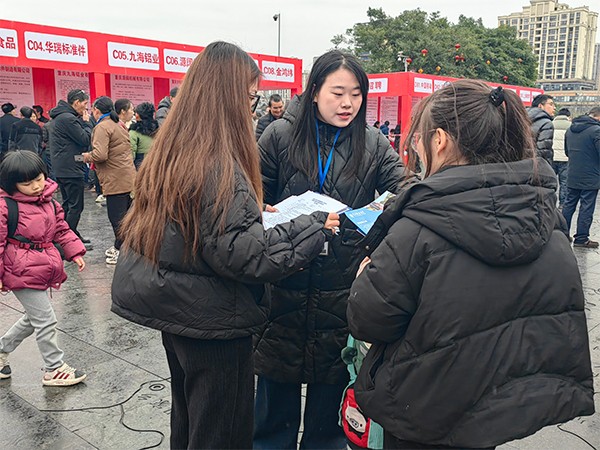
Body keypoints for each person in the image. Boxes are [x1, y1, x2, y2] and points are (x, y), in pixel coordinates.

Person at [110, 41, 340, 449]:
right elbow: (246, 256)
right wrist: (312, 226)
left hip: (177, 310)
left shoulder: (176, 149)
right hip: (212, 321)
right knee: (222, 433)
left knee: (189, 421)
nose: (252, 108)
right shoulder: (218, 165)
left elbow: (200, 226)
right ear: (228, 97)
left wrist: (250, 211)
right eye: (251, 97)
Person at [347, 81, 595, 449]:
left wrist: (364, 279)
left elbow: (370, 319)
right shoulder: (546, 219)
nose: (416, 148)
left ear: (440, 141)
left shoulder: (417, 229)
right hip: (494, 411)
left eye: (418, 139)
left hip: (423, 412)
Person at [254, 50, 405, 450]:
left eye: (356, 94)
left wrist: (373, 220)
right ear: (315, 90)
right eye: (338, 93)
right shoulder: (278, 136)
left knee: (329, 423)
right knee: (271, 420)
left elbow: (404, 190)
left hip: (342, 289)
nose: (347, 103)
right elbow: (252, 195)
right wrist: (266, 210)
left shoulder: (373, 142)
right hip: (282, 284)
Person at [0, 150, 87, 386]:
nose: (36, 186)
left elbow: (61, 229)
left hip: (41, 265)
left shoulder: (49, 202)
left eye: (38, 179)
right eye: (27, 183)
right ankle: (54, 368)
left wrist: (75, 251)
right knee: (45, 319)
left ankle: (1, 349)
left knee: (34, 317)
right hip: (18, 269)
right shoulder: (6, 206)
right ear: (11, 184)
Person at [83, 97, 136, 265]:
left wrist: (86, 156)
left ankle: (121, 251)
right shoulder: (118, 124)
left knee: (117, 218)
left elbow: (100, 155)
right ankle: (126, 248)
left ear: (97, 110)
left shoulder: (102, 127)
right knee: (126, 217)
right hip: (126, 176)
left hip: (115, 179)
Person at [48, 89, 93, 249]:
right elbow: (85, 139)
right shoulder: (68, 118)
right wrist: (87, 123)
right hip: (71, 169)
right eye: (85, 103)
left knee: (68, 205)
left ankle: (68, 234)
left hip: (64, 167)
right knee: (75, 206)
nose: (86, 107)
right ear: (76, 102)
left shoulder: (60, 117)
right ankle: (68, 240)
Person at [562, 107, 600, 248]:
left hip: (572, 173)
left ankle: (562, 234)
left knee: (568, 204)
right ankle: (581, 238)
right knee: (586, 207)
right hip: (591, 176)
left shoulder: (570, 130)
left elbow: (567, 152)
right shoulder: (596, 131)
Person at [129, 102, 159, 169]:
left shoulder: (134, 132)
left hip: (140, 166)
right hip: (155, 164)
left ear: (138, 116)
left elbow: (131, 153)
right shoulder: (158, 130)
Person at [527, 94, 555, 165]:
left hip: (520, 164)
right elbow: (544, 151)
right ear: (540, 106)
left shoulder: (522, 118)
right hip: (538, 165)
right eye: (551, 104)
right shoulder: (546, 123)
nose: (554, 108)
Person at [552, 108, 571, 208]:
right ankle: (562, 203)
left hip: (552, 157)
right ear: (568, 116)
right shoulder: (570, 126)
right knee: (564, 182)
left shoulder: (551, 124)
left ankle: (550, 202)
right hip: (565, 158)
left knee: (551, 181)